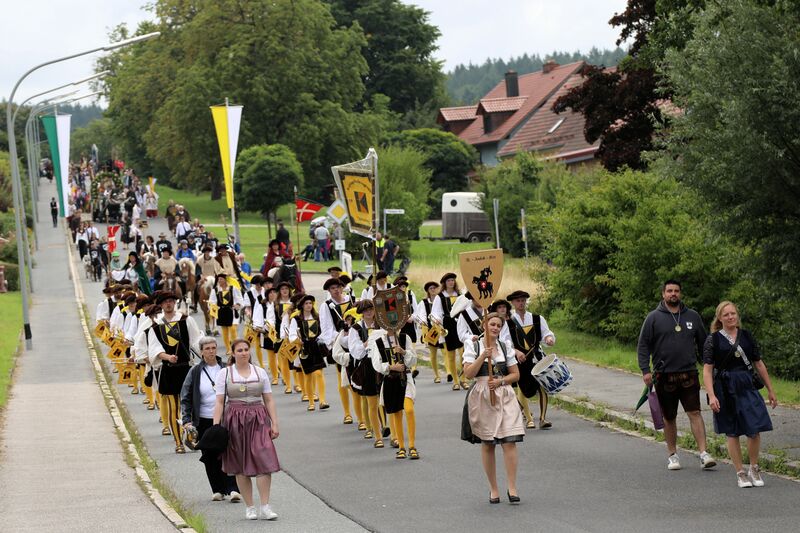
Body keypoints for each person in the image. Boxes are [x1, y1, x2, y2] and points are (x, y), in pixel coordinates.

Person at [637, 280, 717, 471]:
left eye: (676, 291)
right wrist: (645, 370)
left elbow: (704, 344)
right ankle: (672, 455)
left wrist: (710, 367)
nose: (673, 294)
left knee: (695, 412)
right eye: (669, 291)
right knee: (669, 416)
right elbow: (643, 345)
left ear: (680, 293)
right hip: (664, 375)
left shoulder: (692, 316)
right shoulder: (653, 318)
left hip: (689, 373)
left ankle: (704, 453)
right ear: (663, 294)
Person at [703, 301, 777, 488]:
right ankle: (740, 473)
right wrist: (711, 395)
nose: (730, 317)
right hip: (725, 387)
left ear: (737, 315)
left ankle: (754, 467)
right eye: (726, 315)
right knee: (732, 430)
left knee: (755, 427)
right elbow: (707, 370)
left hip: (747, 385)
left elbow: (758, 363)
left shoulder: (746, 336)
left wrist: (770, 389)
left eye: (733, 313)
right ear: (720, 318)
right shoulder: (713, 340)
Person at [213, 339, 280, 520]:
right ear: (233, 353)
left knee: (264, 458)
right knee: (240, 464)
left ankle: (265, 506)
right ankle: (250, 507)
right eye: (240, 350)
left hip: (258, 418)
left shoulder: (260, 372)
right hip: (235, 419)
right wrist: (216, 426)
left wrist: (274, 423)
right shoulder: (225, 373)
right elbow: (219, 401)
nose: (243, 353)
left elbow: (268, 399)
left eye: (246, 350)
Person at [462, 312, 523, 504]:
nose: (495, 328)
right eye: (492, 324)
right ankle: (494, 489)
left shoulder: (505, 347)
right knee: (488, 443)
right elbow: (468, 374)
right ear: (484, 325)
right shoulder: (473, 345)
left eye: (498, 325)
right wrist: (483, 356)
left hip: (504, 396)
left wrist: (500, 381)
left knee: (509, 441)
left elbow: (516, 375)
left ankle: (512, 487)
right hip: (483, 396)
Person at [180, 337, 242, 502]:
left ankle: (233, 489)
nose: (211, 351)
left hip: (226, 417)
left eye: (213, 348)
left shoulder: (226, 368)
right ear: (201, 352)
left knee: (228, 453)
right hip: (203, 419)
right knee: (209, 455)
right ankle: (217, 490)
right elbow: (185, 397)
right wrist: (186, 420)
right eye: (207, 348)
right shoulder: (195, 372)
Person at [147, 291, 203, 453]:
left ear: (174, 303)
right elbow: (154, 349)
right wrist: (167, 357)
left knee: (190, 406)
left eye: (171, 301)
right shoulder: (156, 326)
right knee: (174, 406)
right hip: (169, 370)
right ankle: (178, 442)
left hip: (186, 368)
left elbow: (196, 341)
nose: (168, 304)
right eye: (165, 302)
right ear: (161, 305)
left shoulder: (186, 320)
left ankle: (191, 437)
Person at [503, 290, 556, 430]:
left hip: (536, 357)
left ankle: (543, 419)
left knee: (542, 386)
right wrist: (516, 351)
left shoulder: (537, 318)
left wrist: (548, 339)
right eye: (518, 301)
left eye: (523, 300)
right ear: (513, 303)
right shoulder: (508, 323)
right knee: (523, 388)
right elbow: (505, 342)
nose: (521, 303)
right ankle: (522, 417)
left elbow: (546, 333)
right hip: (519, 361)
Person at [368, 321, 418, 459]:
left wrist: (404, 352)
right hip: (390, 380)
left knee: (409, 409)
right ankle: (401, 447)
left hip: (405, 378)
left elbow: (413, 360)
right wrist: (391, 367)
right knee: (396, 413)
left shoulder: (404, 338)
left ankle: (412, 446)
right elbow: (376, 364)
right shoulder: (379, 342)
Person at [319, 277, 356, 424]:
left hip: (357, 341)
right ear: (329, 291)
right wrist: (342, 337)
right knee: (343, 378)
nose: (336, 290)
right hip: (340, 343)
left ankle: (362, 414)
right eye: (332, 288)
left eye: (338, 287)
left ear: (342, 288)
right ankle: (347, 413)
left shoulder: (351, 299)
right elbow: (327, 328)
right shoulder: (326, 306)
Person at [288, 294, 329, 411]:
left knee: (319, 373)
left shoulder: (317, 317)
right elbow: (292, 335)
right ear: (302, 305)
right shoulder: (296, 319)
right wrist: (298, 341)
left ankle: (322, 400)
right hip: (304, 349)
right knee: (308, 376)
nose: (309, 305)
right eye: (306, 303)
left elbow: (324, 331)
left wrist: (322, 340)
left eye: (310, 303)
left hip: (316, 348)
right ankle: (311, 402)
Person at [431, 273, 466, 390]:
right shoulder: (440, 297)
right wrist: (437, 320)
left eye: (452, 280)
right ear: (444, 283)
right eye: (449, 281)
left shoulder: (460, 295)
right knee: (451, 355)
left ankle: (463, 379)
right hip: (448, 325)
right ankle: (456, 381)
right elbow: (435, 312)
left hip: (460, 324)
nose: (451, 282)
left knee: (463, 353)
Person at [414, 281, 445, 383]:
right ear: (428, 290)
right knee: (433, 353)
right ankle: (437, 375)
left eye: (435, 288)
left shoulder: (442, 299)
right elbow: (420, 315)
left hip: (441, 329)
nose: (433, 290)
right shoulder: (424, 303)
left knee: (445, 351)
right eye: (431, 288)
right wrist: (424, 324)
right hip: (432, 331)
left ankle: (449, 373)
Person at [209, 274, 244, 354]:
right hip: (221, 312)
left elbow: (239, 298)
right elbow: (211, 301)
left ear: (225, 280)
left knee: (232, 329)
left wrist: (238, 304)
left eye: (221, 279)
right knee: (224, 331)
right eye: (218, 279)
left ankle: (235, 347)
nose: (219, 281)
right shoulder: (215, 290)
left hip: (231, 311)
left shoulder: (233, 288)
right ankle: (228, 348)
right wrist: (213, 306)